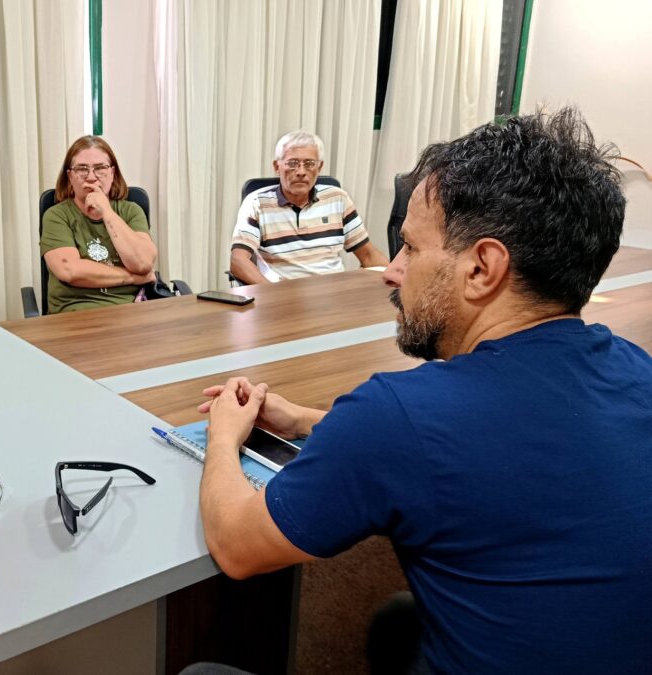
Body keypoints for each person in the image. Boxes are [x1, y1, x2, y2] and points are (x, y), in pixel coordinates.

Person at [198, 109, 652, 673]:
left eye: (409, 247)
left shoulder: (399, 413)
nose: (391, 271)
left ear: (483, 268)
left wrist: (222, 436)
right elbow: (470, 444)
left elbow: (238, 546)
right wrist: (301, 421)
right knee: (399, 621)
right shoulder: (636, 369)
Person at [230, 130, 388, 285]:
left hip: (333, 294)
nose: (300, 171)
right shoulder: (257, 203)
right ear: (277, 166)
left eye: (309, 164)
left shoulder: (337, 199)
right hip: (283, 294)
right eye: (292, 163)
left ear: (319, 167)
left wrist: (397, 281)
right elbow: (239, 261)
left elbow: (368, 255)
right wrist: (271, 294)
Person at [41, 135, 157, 313]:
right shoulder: (56, 215)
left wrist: (107, 212)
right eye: (81, 169)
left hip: (131, 312)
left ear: (112, 173)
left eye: (100, 168)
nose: (91, 177)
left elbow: (143, 263)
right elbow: (69, 270)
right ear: (70, 176)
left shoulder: (131, 211)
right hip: (75, 315)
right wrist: (133, 278)